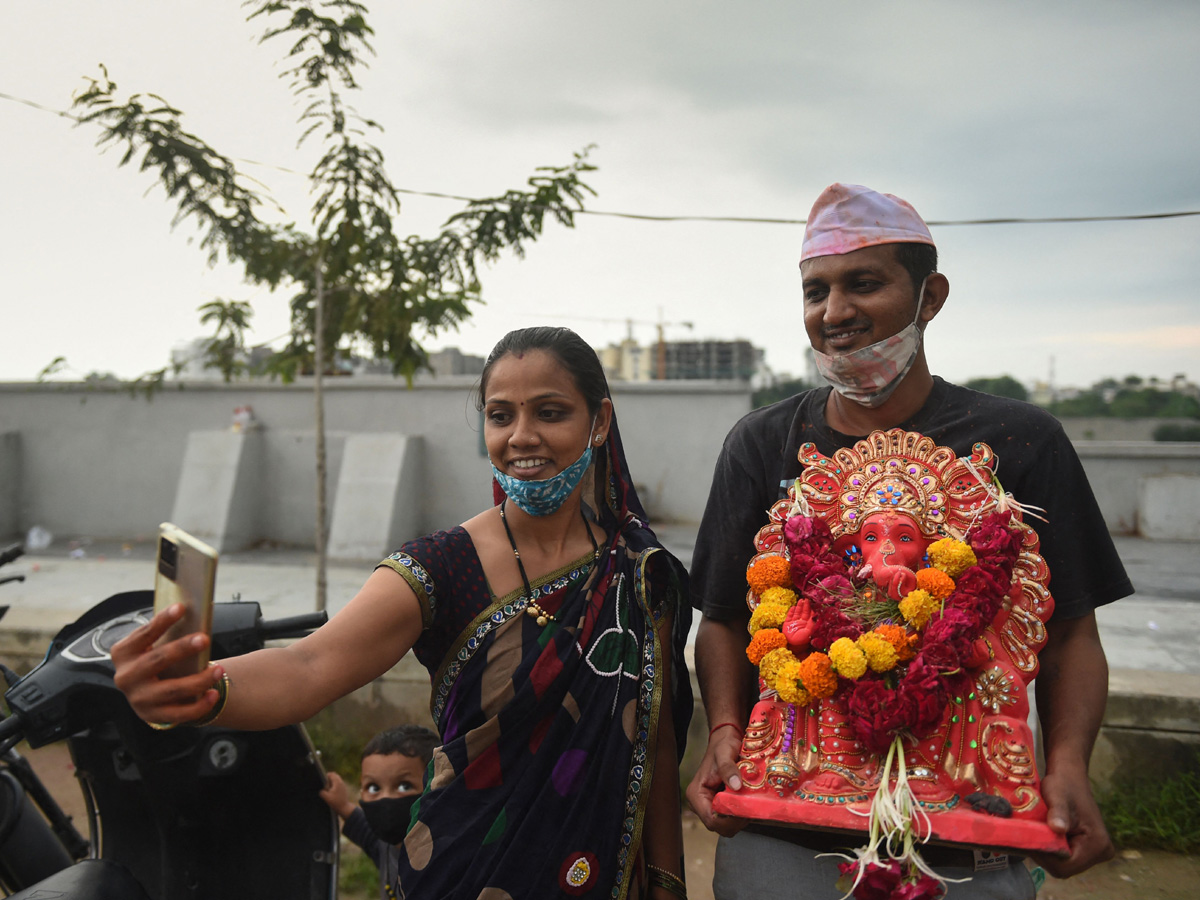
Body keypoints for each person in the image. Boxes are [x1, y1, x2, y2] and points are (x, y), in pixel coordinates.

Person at [113, 326, 693, 900]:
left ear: (599, 422)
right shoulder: (442, 565)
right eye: (499, 416)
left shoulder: (640, 574)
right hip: (459, 871)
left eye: (549, 412)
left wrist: (667, 884)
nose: (521, 437)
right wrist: (203, 689)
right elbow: (309, 666)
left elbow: (655, 743)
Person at [684, 183, 1132, 899]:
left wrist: (1068, 764)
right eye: (815, 292)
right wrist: (728, 731)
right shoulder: (761, 445)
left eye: (864, 284)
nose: (834, 314)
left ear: (931, 296)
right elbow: (725, 619)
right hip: (786, 826)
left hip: (970, 832)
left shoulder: (1021, 443)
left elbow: (1073, 630)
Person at [320, 724, 438, 899]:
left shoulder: (445, 858)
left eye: (404, 786)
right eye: (374, 788)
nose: (385, 799)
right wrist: (343, 806)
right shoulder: (388, 848)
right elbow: (367, 834)